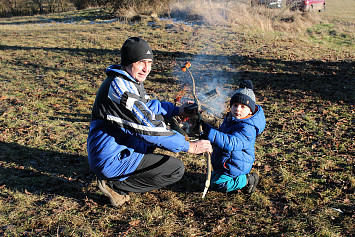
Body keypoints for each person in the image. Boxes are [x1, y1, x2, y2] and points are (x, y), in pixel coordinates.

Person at [87, 37, 212, 206]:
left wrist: (176, 110)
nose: (146, 69)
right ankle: (116, 185)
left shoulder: (127, 80)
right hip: (111, 158)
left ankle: (119, 176)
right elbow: (149, 129)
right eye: (141, 62)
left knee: (160, 120)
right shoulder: (120, 90)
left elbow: (146, 107)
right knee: (175, 169)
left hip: (117, 148)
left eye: (150, 63)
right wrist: (189, 146)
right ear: (128, 61)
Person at [201, 80, 266, 194]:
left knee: (218, 184)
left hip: (237, 165)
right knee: (214, 179)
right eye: (235, 105)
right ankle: (231, 179)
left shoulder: (248, 128)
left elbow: (231, 142)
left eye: (243, 106)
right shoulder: (232, 119)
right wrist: (204, 127)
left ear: (250, 110)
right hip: (227, 162)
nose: (238, 109)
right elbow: (222, 135)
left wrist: (210, 133)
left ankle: (247, 180)